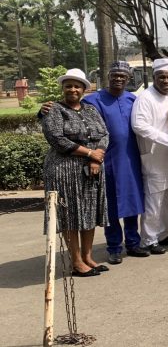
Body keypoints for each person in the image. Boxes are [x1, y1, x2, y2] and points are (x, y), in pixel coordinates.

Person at [42, 68, 109, 277]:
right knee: (71, 214)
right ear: (62, 88)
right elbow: (57, 139)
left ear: (84, 89)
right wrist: (90, 153)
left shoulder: (90, 110)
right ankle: (77, 261)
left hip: (92, 168)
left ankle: (88, 257)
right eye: (69, 85)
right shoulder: (53, 110)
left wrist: (97, 156)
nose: (73, 89)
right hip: (64, 170)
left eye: (77, 86)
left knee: (89, 212)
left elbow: (104, 133)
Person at [82, 61, 149, 264]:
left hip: (131, 159)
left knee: (132, 202)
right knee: (111, 205)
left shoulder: (132, 99)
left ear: (128, 78)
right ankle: (113, 247)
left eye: (123, 76)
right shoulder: (93, 100)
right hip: (107, 161)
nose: (118, 79)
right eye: (115, 75)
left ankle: (133, 243)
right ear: (108, 77)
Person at [131, 58, 168, 254]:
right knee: (154, 201)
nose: (165, 80)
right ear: (154, 77)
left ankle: (162, 234)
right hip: (154, 157)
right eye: (161, 77)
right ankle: (148, 240)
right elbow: (139, 126)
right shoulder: (144, 98)